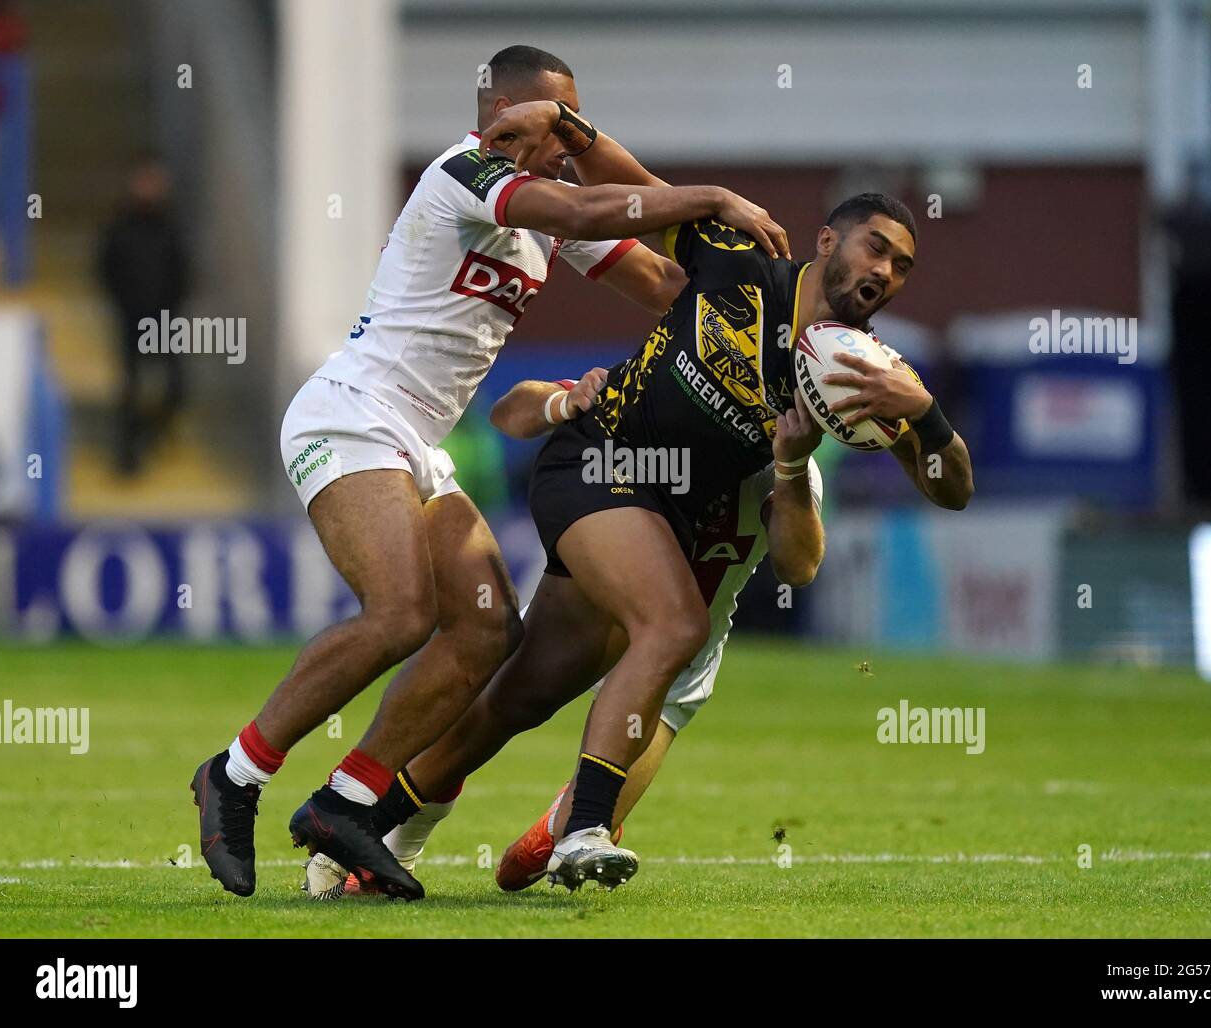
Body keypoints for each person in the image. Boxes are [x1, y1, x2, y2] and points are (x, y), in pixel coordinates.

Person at [190, 44, 790, 900]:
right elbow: (584, 213)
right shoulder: (466, 170)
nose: (569, 150)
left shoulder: (544, 211)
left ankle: (347, 801)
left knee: (487, 633)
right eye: (558, 128)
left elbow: (662, 281)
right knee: (401, 613)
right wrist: (714, 196)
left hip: (417, 443)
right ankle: (235, 776)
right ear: (508, 114)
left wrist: (753, 303)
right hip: (350, 413)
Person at [305, 191, 975, 895]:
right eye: (877, 247)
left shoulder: (858, 382)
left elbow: (903, 512)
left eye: (903, 265)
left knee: (518, 697)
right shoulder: (740, 265)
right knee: (671, 626)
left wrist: (924, 417)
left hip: (661, 536)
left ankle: (358, 829)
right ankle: (581, 828)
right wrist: (681, 188)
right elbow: (620, 202)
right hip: (599, 466)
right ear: (829, 243)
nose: (888, 270)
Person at [96, 158, 189, 474]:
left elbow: (182, 272)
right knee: (132, 389)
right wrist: (124, 305)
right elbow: (106, 269)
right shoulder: (120, 227)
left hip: (165, 322)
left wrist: (172, 308)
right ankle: (127, 457)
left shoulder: (170, 228)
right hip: (131, 319)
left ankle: (151, 436)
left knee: (176, 389)